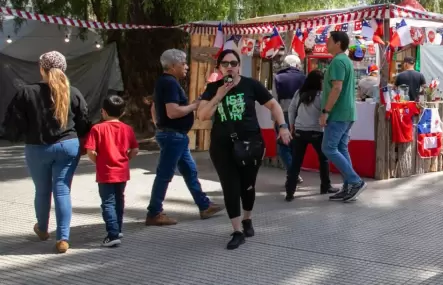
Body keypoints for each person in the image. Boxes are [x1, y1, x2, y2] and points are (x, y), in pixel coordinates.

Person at [198, 50, 293, 250]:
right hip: (222, 146)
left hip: (251, 144)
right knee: (230, 186)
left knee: (247, 186)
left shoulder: (251, 85)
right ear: (219, 68)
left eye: (233, 63)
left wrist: (283, 126)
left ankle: (247, 219)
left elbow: (274, 105)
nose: (229, 66)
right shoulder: (213, 88)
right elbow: (203, 115)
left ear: (239, 66)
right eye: (225, 64)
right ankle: (237, 230)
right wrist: (219, 95)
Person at [3, 51, 91, 253]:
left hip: (37, 147)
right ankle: (63, 238)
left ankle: (42, 229)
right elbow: (83, 122)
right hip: (68, 146)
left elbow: (13, 124)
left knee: (42, 190)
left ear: (41, 68)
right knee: (62, 190)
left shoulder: (26, 92)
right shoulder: (73, 92)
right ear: (64, 69)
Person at [148, 49, 221, 226]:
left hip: (175, 135)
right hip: (173, 135)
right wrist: (194, 106)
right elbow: (172, 112)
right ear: (173, 66)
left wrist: (159, 124)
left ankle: (204, 205)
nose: (187, 67)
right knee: (165, 174)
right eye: (183, 63)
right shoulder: (170, 83)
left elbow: (154, 107)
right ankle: (154, 212)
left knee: (189, 171)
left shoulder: (164, 82)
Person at [84, 95, 139, 248]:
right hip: (122, 171)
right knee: (119, 200)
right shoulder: (127, 129)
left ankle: (112, 234)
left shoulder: (97, 128)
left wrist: (99, 162)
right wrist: (125, 159)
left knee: (108, 203)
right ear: (122, 112)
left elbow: (90, 151)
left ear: (103, 111)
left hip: (105, 172)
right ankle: (118, 228)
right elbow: (135, 149)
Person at [321, 30, 366, 202]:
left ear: (338, 43)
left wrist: (326, 111)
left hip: (338, 113)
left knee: (329, 148)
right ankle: (349, 186)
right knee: (340, 148)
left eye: (329, 40)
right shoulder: (345, 60)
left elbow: (337, 88)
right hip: (346, 113)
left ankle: (355, 181)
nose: (326, 42)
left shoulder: (338, 61)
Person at [286, 70, 339, 200]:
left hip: (299, 131)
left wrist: (292, 125)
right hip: (316, 132)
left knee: (296, 162)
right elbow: (327, 111)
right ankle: (325, 186)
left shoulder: (299, 93)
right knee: (323, 159)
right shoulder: (321, 95)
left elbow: (291, 109)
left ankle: (290, 192)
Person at [273, 55, 307, 176]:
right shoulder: (304, 77)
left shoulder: (278, 77)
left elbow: (275, 99)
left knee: (283, 144)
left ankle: (293, 173)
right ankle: (295, 171)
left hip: (283, 114)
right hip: (300, 115)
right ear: (297, 65)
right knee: (296, 145)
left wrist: (274, 118)